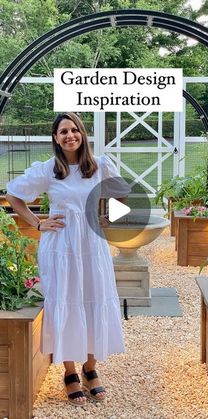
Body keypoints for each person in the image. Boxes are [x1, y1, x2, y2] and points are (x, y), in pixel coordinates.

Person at [6, 112, 130, 406]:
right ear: (55, 138)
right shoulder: (48, 169)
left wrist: (107, 217)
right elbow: (13, 195)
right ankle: (70, 372)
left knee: (92, 299)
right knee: (66, 300)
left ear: (82, 134)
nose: (70, 135)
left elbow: (124, 194)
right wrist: (37, 223)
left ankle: (91, 368)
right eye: (63, 131)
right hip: (60, 246)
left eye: (74, 130)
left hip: (92, 246)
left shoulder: (99, 165)